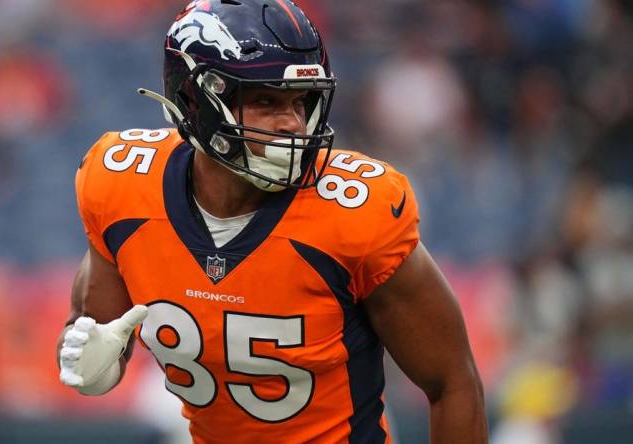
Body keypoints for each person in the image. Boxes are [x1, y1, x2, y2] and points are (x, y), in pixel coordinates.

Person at [57, 1, 487, 442]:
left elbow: (452, 381)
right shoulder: (121, 186)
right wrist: (90, 363)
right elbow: (93, 328)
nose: (291, 124)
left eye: (300, 101)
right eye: (265, 100)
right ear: (194, 99)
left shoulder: (355, 212)